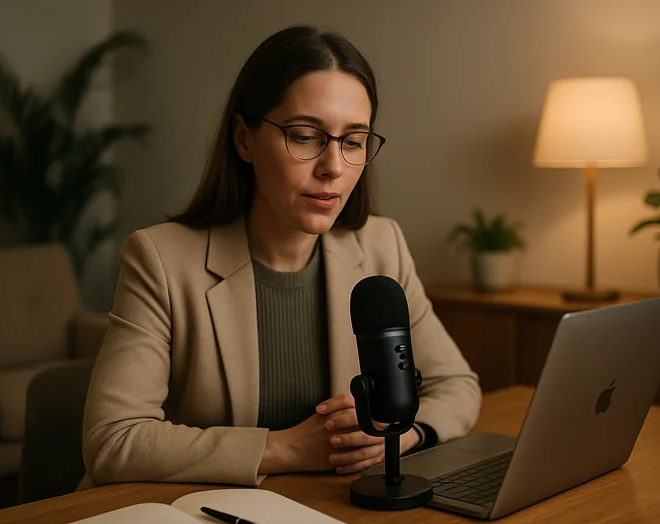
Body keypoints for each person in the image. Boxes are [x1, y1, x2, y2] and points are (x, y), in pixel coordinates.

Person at [81, 24, 481, 488]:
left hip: (327, 509)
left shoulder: (380, 244)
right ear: (244, 139)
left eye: (352, 141)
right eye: (306, 135)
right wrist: (287, 447)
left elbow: (457, 386)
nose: (333, 166)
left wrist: (401, 436)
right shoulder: (160, 260)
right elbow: (113, 440)